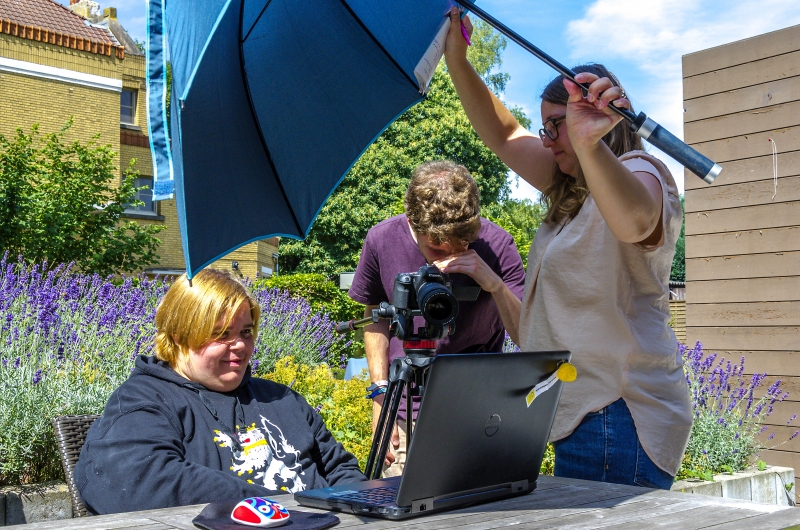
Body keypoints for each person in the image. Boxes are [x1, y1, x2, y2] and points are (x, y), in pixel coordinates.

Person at [443, 8, 692, 490]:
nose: (548, 138)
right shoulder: (569, 189)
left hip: (617, 415)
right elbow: (505, 134)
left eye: (558, 125)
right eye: (547, 127)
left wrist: (587, 142)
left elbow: (636, 219)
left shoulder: (642, 170)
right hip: (581, 411)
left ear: (602, 118)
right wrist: (458, 62)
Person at [74, 269, 365, 515]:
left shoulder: (281, 399)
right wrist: (275, 507)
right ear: (179, 336)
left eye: (246, 332)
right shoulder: (144, 401)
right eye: (221, 333)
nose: (239, 345)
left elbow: (341, 470)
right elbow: (136, 481)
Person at [348, 160, 526, 476]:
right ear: (413, 225)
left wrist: (494, 284)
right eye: (436, 249)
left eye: (461, 246)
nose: (447, 259)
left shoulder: (498, 246)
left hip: (481, 412)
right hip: (405, 410)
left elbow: (526, 334)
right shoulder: (382, 240)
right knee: (402, 518)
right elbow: (376, 318)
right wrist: (379, 395)